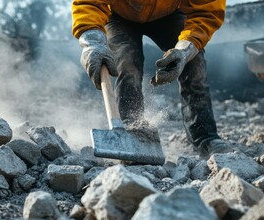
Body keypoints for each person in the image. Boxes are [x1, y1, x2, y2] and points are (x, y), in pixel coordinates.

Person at [71, 0, 234, 158]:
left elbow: (206, 10)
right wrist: (91, 42)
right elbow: (89, 2)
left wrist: (185, 51)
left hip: (169, 13)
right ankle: (132, 131)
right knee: (127, 63)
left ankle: (206, 138)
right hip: (119, 16)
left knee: (194, 62)